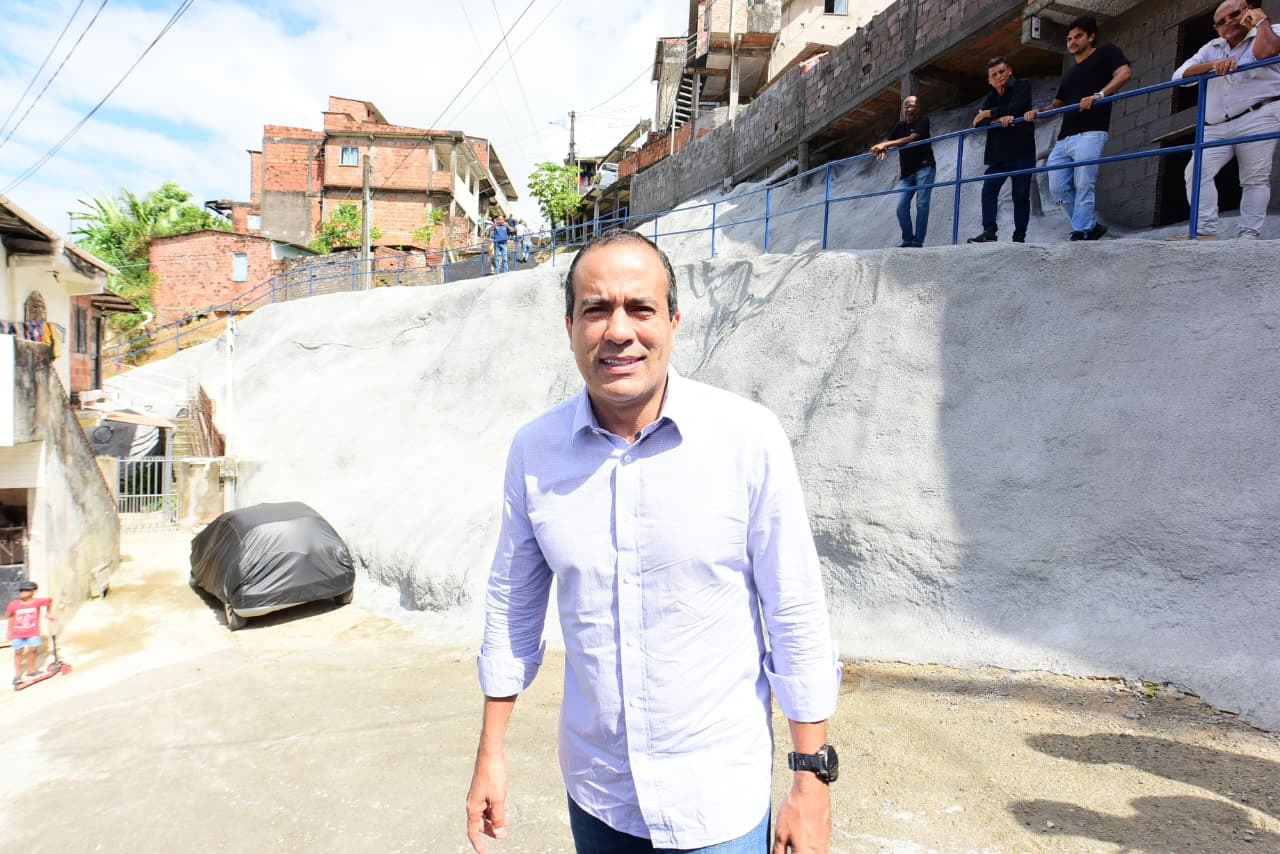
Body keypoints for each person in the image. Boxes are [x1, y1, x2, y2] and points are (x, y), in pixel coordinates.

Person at [465, 229, 841, 853]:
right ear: (569, 327)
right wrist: (490, 754)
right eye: (596, 310)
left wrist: (810, 779)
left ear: (673, 321)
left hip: (715, 801)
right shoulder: (535, 452)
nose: (619, 331)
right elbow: (512, 607)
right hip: (599, 793)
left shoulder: (747, 439)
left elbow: (795, 608)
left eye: (640, 308)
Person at [1172, 0, 1280, 240]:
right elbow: (1179, 77)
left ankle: (1248, 235)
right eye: (1221, 21)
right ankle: (1205, 231)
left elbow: (1267, 52)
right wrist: (1213, 65)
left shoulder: (1272, 31)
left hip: (1258, 115)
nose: (1229, 22)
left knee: (1254, 179)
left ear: (1249, 10)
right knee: (1195, 172)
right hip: (1216, 125)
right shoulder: (1212, 47)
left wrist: (1261, 21)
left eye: (1235, 14)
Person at [1025, 16, 1131, 241]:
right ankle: (1089, 226)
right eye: (1069, 39)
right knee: (1057, 187)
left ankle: (1081, 231)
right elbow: (1057, 104)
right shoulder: (1070, 74)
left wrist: (1099, 95)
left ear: (1091, 37)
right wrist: (1038, 112)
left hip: (1091, 132)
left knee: (1084, 183)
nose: (1072, 42)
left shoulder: (1106, 53)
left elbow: (1124, 73)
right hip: (1064, 138)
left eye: (1078, 36)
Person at [968, 57, 1036, 244]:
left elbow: (1016, 107)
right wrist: (999, 119)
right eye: (994, 75)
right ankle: (989, 231)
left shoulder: (1022, 85)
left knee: (1020, 195)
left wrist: (989, 113)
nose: (999, 76)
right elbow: (977, 123)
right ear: (989, 80)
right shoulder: (990, 97)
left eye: (1002, 71)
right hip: (998, 156)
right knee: (988, 190)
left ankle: (1019, 236)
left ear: (1010, 71)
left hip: (1022, 151)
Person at [871, 95, 937, 247]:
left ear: (918, 108)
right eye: (906, 105)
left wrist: (885, 145)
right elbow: (888, 141)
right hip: (906, 173)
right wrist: (883, 148)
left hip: (924, 168)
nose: (908, 108)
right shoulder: (899, 127)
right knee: (901, 207)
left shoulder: (923, 121)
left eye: (912, 105)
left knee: (922, 204)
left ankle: (917, 242)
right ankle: (907, 240)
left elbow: (911, 138)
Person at [8, 580, 54, 686]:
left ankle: (31, 670)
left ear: (34, 591)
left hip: (33, 632)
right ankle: (17, 675)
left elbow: (50, 600)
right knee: (18, 652)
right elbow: (11, 617)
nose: (23, 592)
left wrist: (49, 613)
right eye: (21, 590)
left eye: (26, 590)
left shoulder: (37, 602)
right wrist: (10, 631)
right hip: (18, 633)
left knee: (32, 650)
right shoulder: (14, 604)